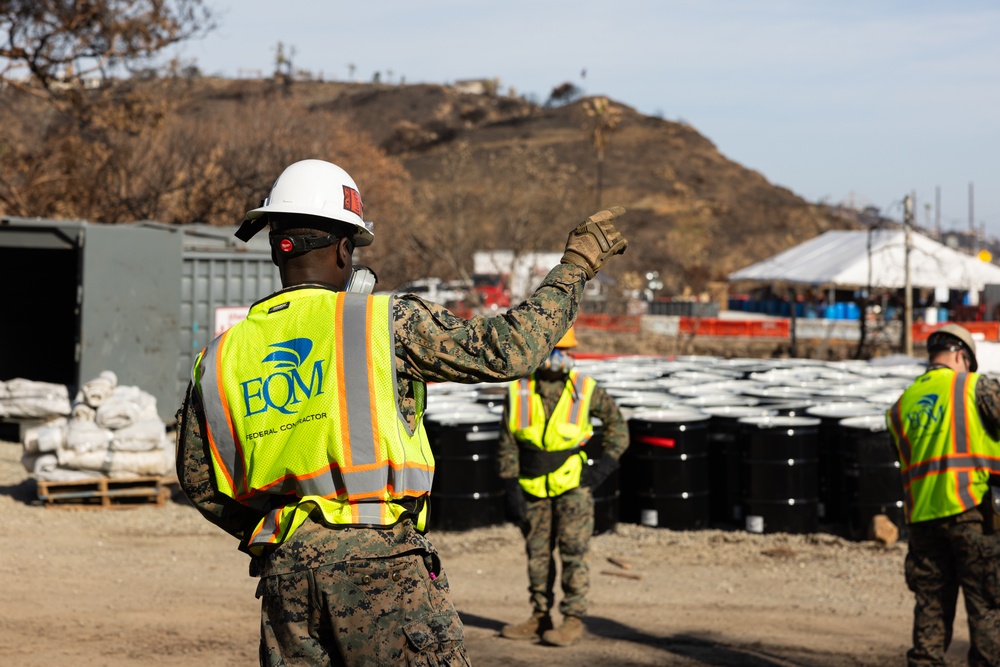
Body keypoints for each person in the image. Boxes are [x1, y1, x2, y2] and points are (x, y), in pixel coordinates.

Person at [174, 158, 628, 667]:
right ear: (346, 248)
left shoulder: (221, 356)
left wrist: (288, 531)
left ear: (277, 245)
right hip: (381, 567)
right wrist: (575, 268)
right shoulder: (382, 321)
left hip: (286, 575)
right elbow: (509, 349)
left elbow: (198, 480)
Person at [496, 325, 629, 647]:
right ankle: (540, 617)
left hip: (573, 488)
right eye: (555, 350)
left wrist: (603, 468)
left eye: (566, 351)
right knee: (537, 555)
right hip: (532, 488)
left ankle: (572, 620)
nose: (561, 357)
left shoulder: (585, 389)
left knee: (573, 554)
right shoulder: (520, 390)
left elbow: (618, 427)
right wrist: (510, 486)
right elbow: (507, 443)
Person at [886, 323, 1000, 667]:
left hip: (923, 522)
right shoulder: (974, 386)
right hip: (971, 513)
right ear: (961, 356)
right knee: (988, 611)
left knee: (931, 613)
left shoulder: (900, 407)